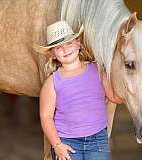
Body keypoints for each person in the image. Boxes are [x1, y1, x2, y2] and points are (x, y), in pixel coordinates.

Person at [33, 21, 123, 160]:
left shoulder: (98, 70)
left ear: (78, 43)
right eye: (58, 47)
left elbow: (114, 97)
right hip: (67, 142)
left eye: (69, 43)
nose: (65, 49)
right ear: (52, 54)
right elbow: (46, 117)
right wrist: (57, 145)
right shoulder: (52, 82)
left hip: (97, 140)